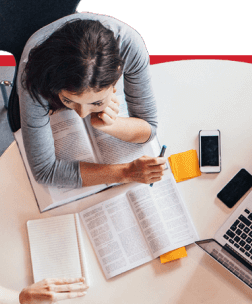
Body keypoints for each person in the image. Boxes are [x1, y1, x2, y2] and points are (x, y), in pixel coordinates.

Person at [16, 14, 166, 190]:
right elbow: (44, 171)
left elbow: (149, 128)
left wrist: (110, 125)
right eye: (68, 100)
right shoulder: (34, 75)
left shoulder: (130, 45)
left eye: (95, 103)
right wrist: (127, 172)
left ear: (118, 75)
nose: (82, 114)